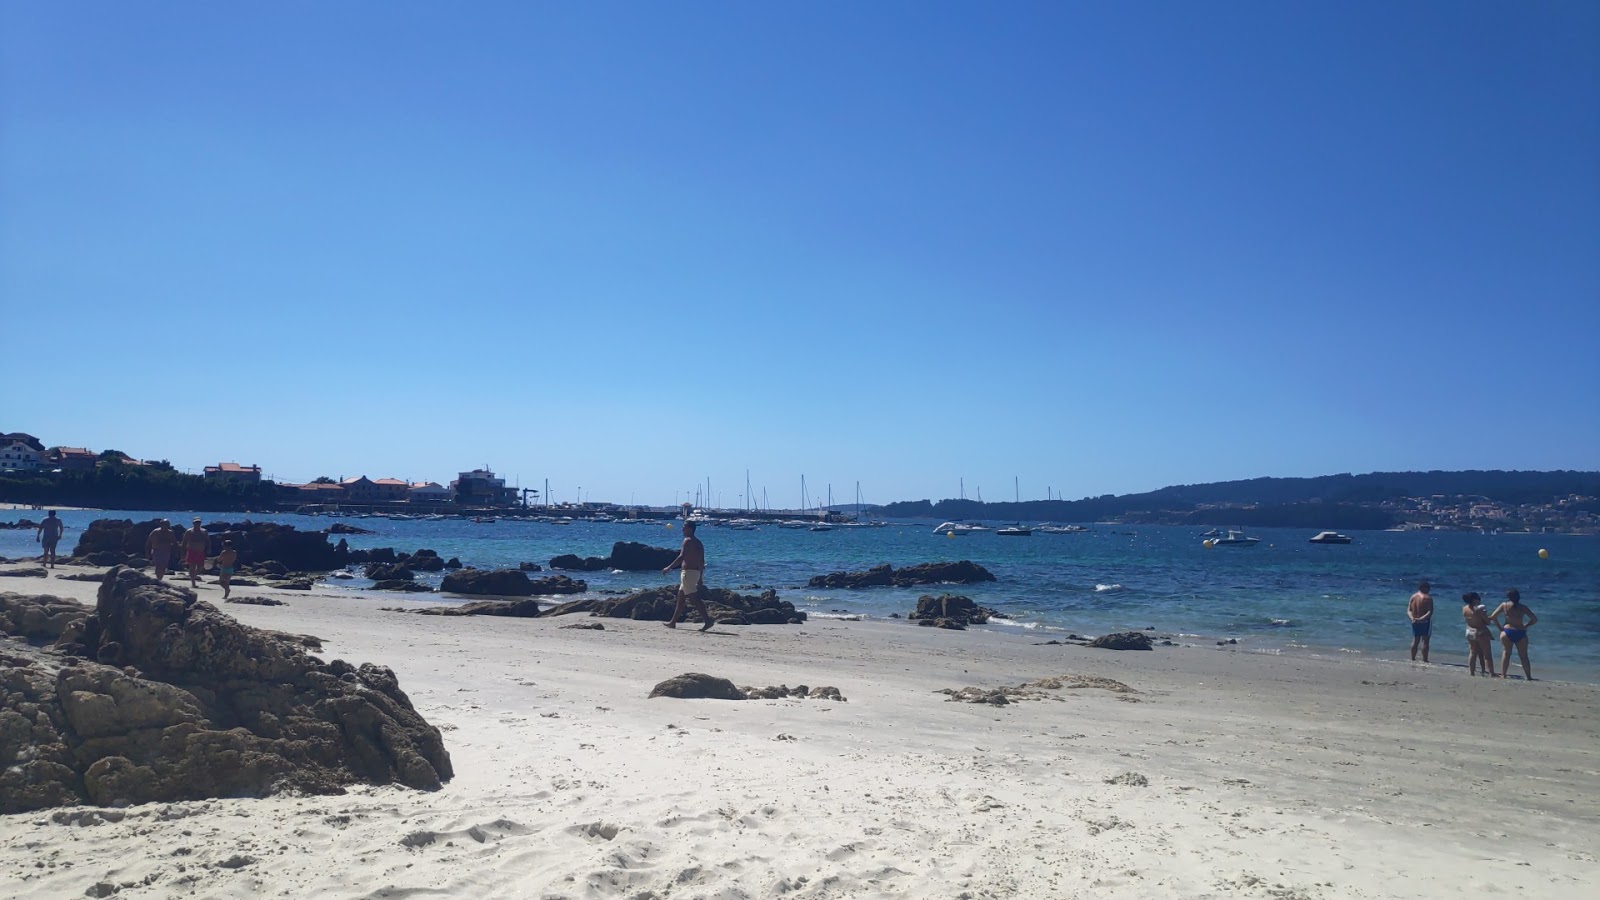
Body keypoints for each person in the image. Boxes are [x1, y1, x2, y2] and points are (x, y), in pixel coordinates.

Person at [661, 519, 714, 631]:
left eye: (684, 527)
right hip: (694, 573)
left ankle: (707, 620)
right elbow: (701, 561)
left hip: (688, 573)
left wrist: (669, 567)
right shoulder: (698, 542)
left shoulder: (687, 541)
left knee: (693, 598)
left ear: (690, 529)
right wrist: (700, 576)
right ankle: (673, 622)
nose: (682, 528)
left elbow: (681, 557)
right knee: (681, 597)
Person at [1489, 589, 1539, 681]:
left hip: (1507, 631)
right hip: (1520, 631)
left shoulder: (1504, 605)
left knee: (1506, 653)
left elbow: (1493, 617)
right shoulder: (1523, 607)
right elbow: (1534, 619)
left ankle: (1503, 674)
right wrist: (1526, 625)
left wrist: (1500, 628)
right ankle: (1528, 676)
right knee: (1523, 656)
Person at [1460, 592, 1497, 677]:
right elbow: (1487, 622)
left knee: (1473, 653)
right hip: (1480, 632)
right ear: (1475, 600)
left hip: (1469, 631)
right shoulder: (1479, 610)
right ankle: (1491, 673)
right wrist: (1487, 616)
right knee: (1487, 654)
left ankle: (1472, 672)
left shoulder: (1464, 608)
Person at [1407, 580, 1434, 663]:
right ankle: (1425, 660)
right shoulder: (1427, 598)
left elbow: (1409, 610)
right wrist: (1421, 619)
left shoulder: (1413, 597)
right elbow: (1430, 612)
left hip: (1414, 621)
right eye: (1428, 588)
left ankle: (1412, 658)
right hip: (1425, 621)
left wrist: (1412, 619)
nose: (1429, 590)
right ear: (1424, 588)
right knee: (1425, 641)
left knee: (1415, 640)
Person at [181, 518, 210, 587]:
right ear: (193, 523)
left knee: (200, 567)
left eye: (199, 522)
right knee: (192, 566)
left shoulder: (204, 531)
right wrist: (183, 552)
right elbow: (184, 542)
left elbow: (208, 541)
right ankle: (193, 583)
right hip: (191, 551)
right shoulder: (189, 531)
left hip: (200, 551)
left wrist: (209, 548)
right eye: (196, 523)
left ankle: (193, 576)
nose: (197, 524)